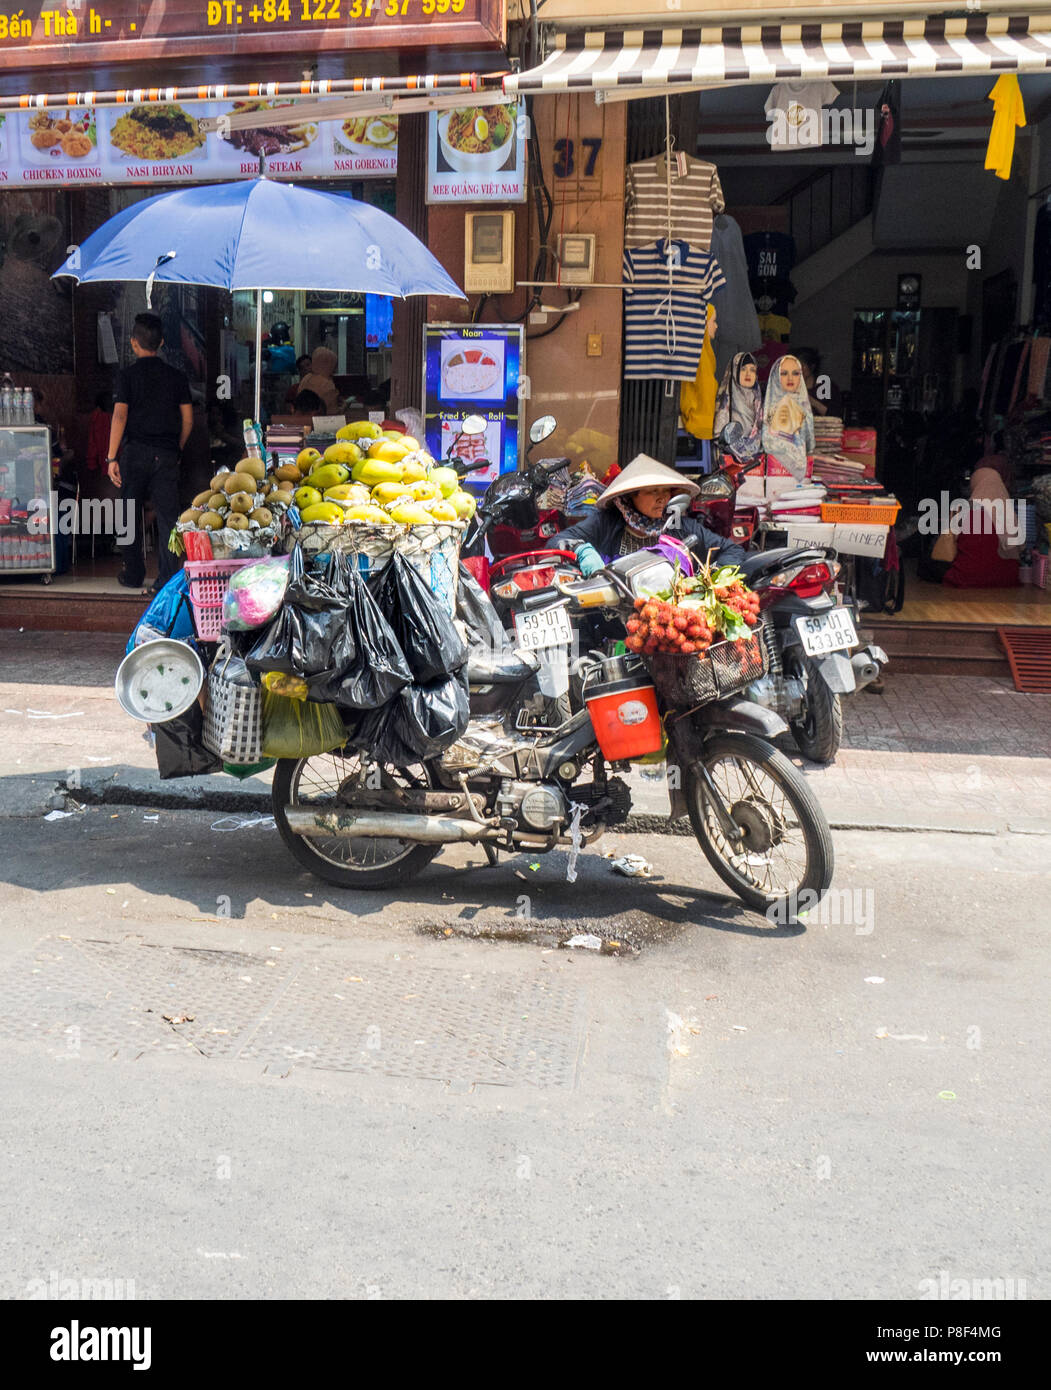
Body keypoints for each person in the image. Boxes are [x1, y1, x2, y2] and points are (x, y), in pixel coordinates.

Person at [106, 312, 192, 594]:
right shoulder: (177, 377)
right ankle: (167, 578)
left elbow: (119, 416)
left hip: (135, 453)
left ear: (133, 343)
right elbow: (188, 420)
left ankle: (133, 573)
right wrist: (176, 448)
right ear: (162, 342)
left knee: (128, 513)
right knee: (168, 517)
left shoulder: (127, 376)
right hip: (165, 455)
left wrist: (111, 458)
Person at [551, 454, 746, 573]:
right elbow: (556, 542)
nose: (662, 498)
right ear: (631, 496)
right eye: (653, 491)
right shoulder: (607, 522)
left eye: (666, 490)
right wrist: (581, 550)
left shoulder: (678, 525)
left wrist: (713, 575)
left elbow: (733, 551)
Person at [942, 448, 1023, 588]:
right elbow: (1020, 548)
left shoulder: (965, 511)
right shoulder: (1010, 513)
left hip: (965, 578)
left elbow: (948, 546)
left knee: (928, 566)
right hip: (1007, 580)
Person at [762, 353, 814, 481]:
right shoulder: (770, 409)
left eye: (796, 373)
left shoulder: (804, 408)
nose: (790, 378)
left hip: (802, 479)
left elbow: (810, 445)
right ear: (775, 376)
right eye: (784, 373)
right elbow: (767, 444)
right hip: (775, 474)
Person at [713, 351, 764, 463]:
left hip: (756, 460)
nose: (748, 374)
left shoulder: (758, 400)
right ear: (734, 371)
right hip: (729, 458)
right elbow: (720, 436)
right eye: (743, 369)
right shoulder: (726, 400)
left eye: (752, 370)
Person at [795, 346, 843, 418]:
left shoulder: (826, 387)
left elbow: (834, 416)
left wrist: (811, 401)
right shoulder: (789, 386)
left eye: (802, 365)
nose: (798, 369)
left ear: (812, 366)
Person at [296, 346, 341, 415]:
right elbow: (332, 413)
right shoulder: (327, 384)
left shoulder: (306, 378)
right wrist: (344, 406)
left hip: (302, 421)